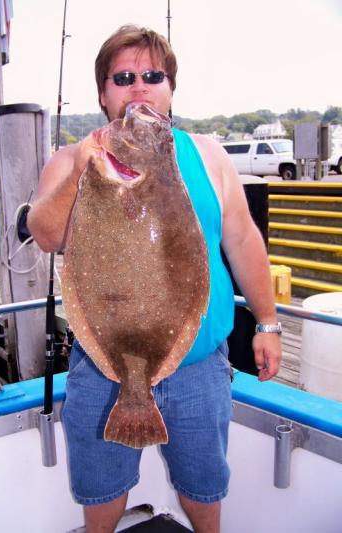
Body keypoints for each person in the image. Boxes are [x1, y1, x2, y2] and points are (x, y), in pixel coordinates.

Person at [28, 24, 282, 533]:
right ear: (103, 93)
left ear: (170, 89)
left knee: (204, 489)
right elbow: (46, 234)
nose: (139, 86)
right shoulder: (73, 159)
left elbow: (243, 241)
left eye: (153, 75)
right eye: (123, 76)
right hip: (103, 368)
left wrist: (269, 322)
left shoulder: (209, 157)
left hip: (198, 369)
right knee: (102, 493)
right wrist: (81, 171)